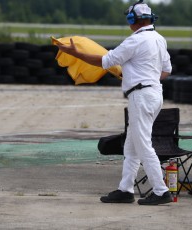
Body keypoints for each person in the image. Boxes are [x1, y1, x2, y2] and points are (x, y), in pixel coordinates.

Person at [56, 0, 172, 205]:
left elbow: (104, 61)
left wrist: (74, 53)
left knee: (143, 145)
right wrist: (144, 76)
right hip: (154, 94)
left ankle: (161, 191)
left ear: (132, 20)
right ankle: (125, 189)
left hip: (141, 96)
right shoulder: (159, 39)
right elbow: (166, 71)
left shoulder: (134, 41)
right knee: (132, 146)